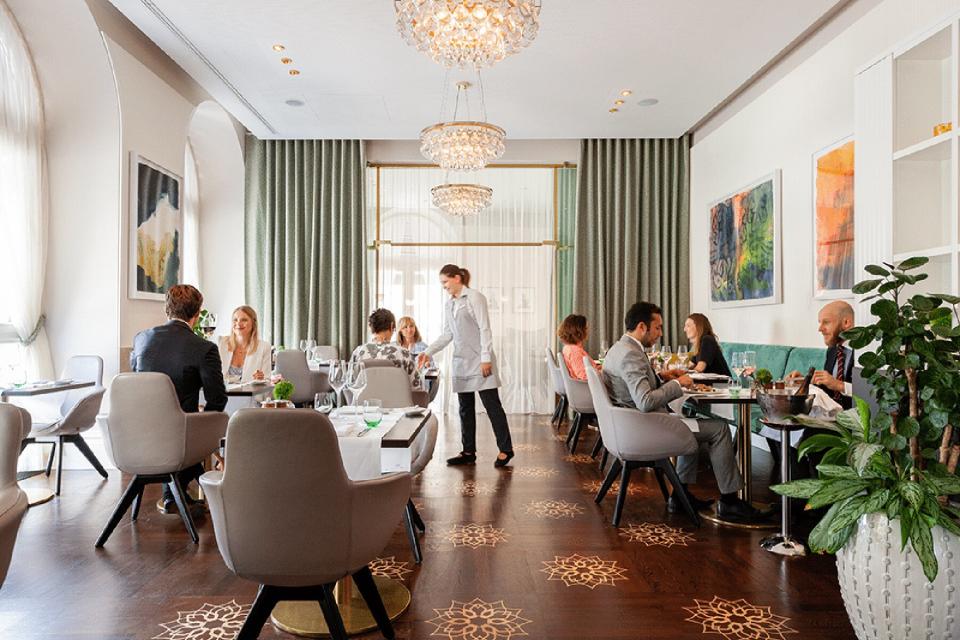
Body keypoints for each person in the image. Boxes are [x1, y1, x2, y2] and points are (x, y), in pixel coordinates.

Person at [602, 301, 763, 521]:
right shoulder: (632, 354)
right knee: (719, 429)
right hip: (645, 428)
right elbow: (645, 401)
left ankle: (680, 495)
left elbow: (635, 391)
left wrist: (662, 378)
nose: (660, 333)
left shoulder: (619, 349)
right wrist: (678, 385)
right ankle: (730, 502)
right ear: (642, 327)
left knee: (691, 420)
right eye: (657, 327)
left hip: (629, 427)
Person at [130, 284, 227, 515]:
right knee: (193, 425)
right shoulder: (204, 348)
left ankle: (174, 495)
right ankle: (185, 491)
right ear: (197, 314)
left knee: (179, 423)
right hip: (177, 440)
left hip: (135, 437)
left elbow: (137, 385)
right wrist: (203, 424)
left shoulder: (141, 339)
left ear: (167, 310)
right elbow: (218, 399)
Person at [417, 264, 514, 468]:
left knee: (492, 405)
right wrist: (428, 352)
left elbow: (485, 329)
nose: (443, 286)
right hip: (461, 362)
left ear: (457, 278)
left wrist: (486, 357)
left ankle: (506, 449)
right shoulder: (449, 305)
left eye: (445, 282)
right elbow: (447, 334)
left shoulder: (475, 298)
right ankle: (468, 451)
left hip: (480, 360)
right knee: (465, 408)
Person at [786, 300, 855, 409]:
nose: (820, 329)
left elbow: (870, 392)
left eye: (826, 322)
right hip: (830, 415)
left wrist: (839, 385)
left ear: (846, 323)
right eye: (820, 322)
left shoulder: (864, 351)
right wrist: (805, 382)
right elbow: (828, 391)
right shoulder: (832, 350)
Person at [351, 308, 422, 390]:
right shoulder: (403, 353)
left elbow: (351, 384)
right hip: (398, 402)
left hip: (364, 402)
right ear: (392, 326)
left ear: (371, 328)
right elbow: (416, 387)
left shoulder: (358, 352)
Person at [217, 305, 272, 384]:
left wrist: (260, 379)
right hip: (224, 395)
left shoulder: (264, 347)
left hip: (249, 395)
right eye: (235, 320)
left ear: (253, 323)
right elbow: (215, 376)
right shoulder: (222, 343)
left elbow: (267, 381)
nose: (238, 323)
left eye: (244, 320)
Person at [684, 313, 732, 377]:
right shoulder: (698, 344)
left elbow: (700, 368)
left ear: (699, 326)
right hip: (711, 383)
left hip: (722, 384)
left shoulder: (707, 339)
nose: (684, 329)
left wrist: (684, 375)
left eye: (688, 326)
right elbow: (690, 365)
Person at [557, 314, 602, 381]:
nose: (587, 331)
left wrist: (600, 368)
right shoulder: (574, 351)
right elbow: (584, 376)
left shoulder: (569, 348)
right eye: (586, 328)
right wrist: (603, 373)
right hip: (586, 388)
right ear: (579, 332)